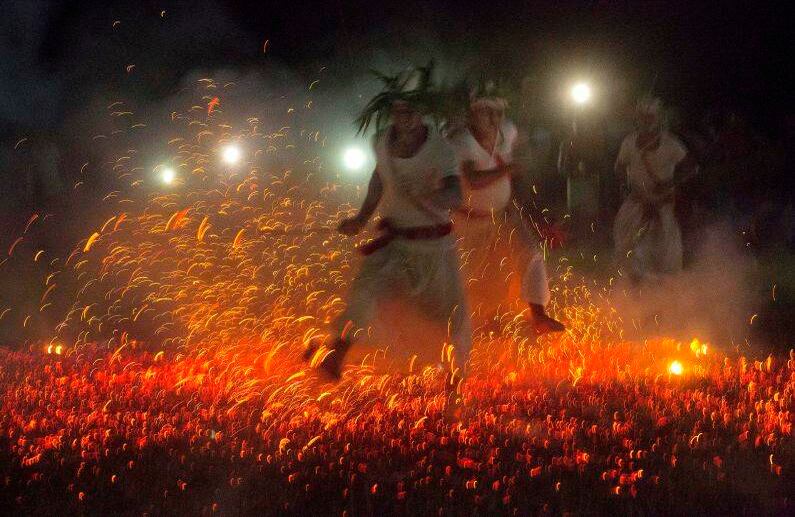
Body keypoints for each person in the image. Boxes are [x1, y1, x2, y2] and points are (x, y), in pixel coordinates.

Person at [304, 66, 471, 381]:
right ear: (391, 110)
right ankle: (335, 356)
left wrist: (438, 196)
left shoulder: (439, 147)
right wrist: (361, 217)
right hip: (393, 241)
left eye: (412, 109)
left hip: (433, 248)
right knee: (364, 292)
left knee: (451, 317)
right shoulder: (381, 140)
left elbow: (455, 191)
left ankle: (455, 381)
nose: (404, 116)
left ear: (423, 111)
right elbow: (379, 178)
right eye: (399, 109)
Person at [448, 83, 565, 334]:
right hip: (468, 222)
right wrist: (507, 169)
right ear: (472, 114)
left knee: (531, 254)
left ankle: (539, 314)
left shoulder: (507, 132)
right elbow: (473, 181)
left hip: (503, 215)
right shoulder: (462, 142)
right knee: (476, 276)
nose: (493, 119)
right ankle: (474, 324)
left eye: (498, 113)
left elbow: (524, 147)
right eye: (486, 112)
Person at [613, 98, 697, 280]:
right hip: (636, 203)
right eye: (642, 117)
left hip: (662, 204)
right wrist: (628, 186)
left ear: (658, 119)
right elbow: (619, 167)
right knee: (626, 245)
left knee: (666, 252)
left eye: (650, 117)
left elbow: (692, 167)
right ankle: (633, 286)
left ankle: (663, 293)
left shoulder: (671, 144)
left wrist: (670, 183)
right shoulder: (629, 142)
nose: (646, 121)